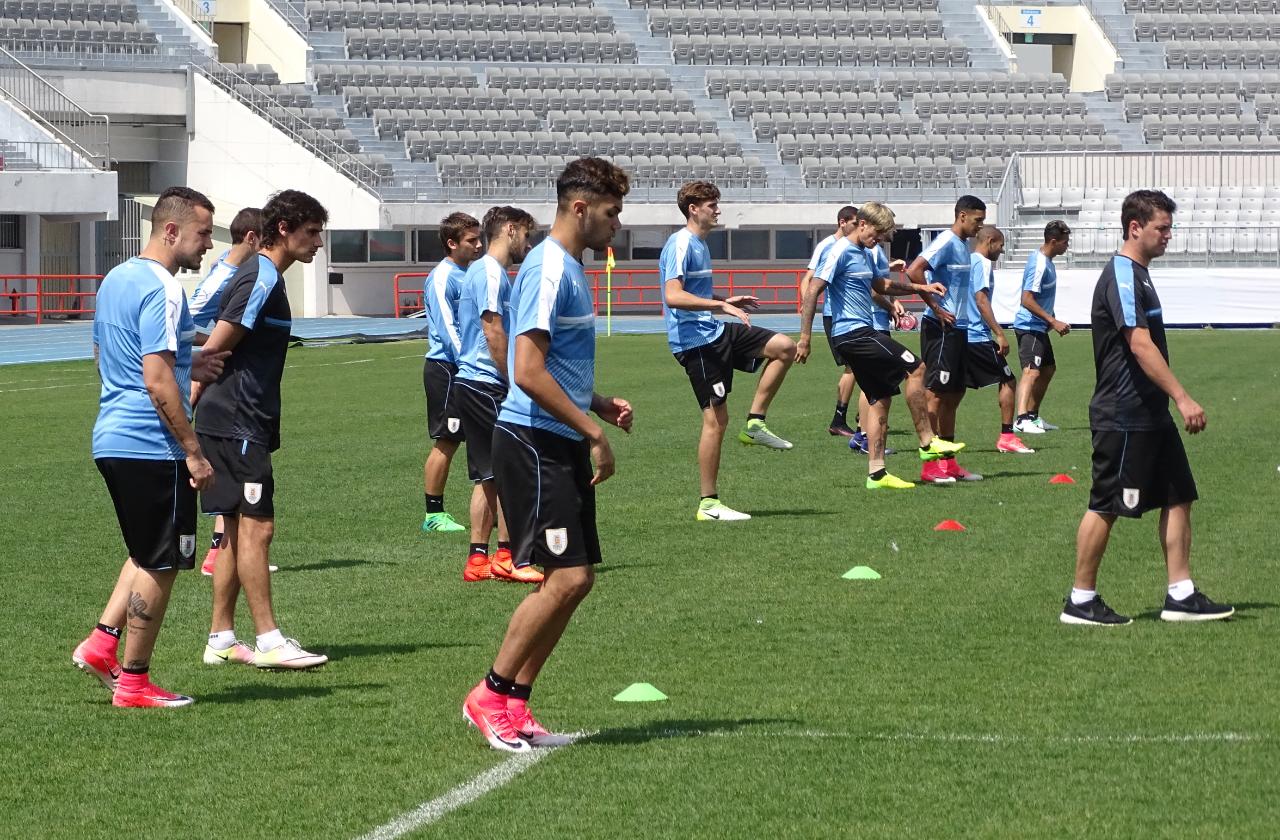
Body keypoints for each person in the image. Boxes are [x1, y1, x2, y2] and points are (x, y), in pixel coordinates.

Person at [462, 157, 634, 751]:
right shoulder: (548, 269)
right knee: (566, 577)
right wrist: (592, 431)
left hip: (554, 435)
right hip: (533, 439)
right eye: (612, 213)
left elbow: (554, 364)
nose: (618, 224)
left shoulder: (569, 268)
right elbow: (527, 371)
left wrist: (598, 400)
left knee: (577, 579)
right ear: (580, 208)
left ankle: (515, 704)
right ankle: (489, 695)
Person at [72, 186, 226, 707]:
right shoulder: (164, 288)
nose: (207, 244)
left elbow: (104, 352)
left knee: (145, 551)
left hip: (112, 433)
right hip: (150, 444)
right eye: (203, 233)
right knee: (162, 562)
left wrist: (188, 362)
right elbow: (157, 379)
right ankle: (134, 682)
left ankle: (101, 645)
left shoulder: (116, 278)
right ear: (172, 230)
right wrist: (194, 450)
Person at [1061, 190, 1232, 626]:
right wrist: (1182, 396)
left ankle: (1181, 594)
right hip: (1124, 415)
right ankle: (1081, 600)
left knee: (1179, 497)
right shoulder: (1122, 273)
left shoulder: (1139, 273)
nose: (1168, 236)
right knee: (1106, 504)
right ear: (1135, 228)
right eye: (1162, 228)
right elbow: (1139, 343)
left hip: (1150, 414)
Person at [196, 189, 331, 668]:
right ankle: (270, 640)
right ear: (283, 229)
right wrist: (187, 421)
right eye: (312, 232)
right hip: (237, 419)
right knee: (259, 528)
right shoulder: (263, 275)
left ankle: (220, 638)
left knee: (233, 530)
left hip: (235, 419)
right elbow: (214, 349)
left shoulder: (262, 273)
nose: (318, 243)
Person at [797, 201, 962, 490]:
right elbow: (813, 290)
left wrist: (920, 288)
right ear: (861, 224)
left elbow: (880, 286)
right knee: (917, 366)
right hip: (852, 333)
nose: (879, 240)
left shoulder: (865, 252)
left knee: (880, 399)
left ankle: (877, 473)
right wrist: (805, 338)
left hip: (862, 331)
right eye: (877, 233)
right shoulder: (839, 251)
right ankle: (926, 441)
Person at [660, 180, 798, 522]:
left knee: (784, 347)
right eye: (711, 204)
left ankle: (755, 423)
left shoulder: (701, 245)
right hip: (696, 343)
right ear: (694, 209)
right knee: (715, 420)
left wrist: (724, 301)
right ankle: (709, 504)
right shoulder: (680, 244)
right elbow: (673, 295)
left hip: (714, 330)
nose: (717, 209)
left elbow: (694, 292)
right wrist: (720, 306)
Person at [455, 206, 543, 584]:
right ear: (510, 229)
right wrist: (515, 380)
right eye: (526, 233)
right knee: (510, 469)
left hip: (471, 381)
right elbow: (494, 332)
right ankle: (508, 556)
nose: (529, 242)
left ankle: (479, 559)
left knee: (487, 475)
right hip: (486, 381)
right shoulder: (490, 272)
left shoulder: (479, 270)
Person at [189, 206, 263, 577]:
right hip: (206, 372)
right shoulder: (231, 275)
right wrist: (220, 341)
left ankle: (221, 551)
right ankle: (215, 552)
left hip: (212, 370)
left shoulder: (227, 266)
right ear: (252, 238)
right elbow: (188, 315)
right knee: (219, 465)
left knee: (225, 466)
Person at [906, 195, 987, 485]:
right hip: (941, 328)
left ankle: (949, 463)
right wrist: (937, 308)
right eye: (978, 220)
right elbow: (914, 270)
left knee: (954, 394)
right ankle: (930, 466)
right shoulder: (945, 241)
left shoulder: (963, 247)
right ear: (962, 216)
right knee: (936, 394)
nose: (981, 226)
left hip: (960, 328)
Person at [420, 213, 483, 533]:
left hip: (468, 368)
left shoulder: (467, 273)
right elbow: (448, 329)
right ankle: (433, 514)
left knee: (479, 439)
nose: (479, 245)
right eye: (472, 240)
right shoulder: (443, 277)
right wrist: (470, 364)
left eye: (478, 238)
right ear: (452, 243)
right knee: (448, 439)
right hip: (449, 369)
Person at [967, 226, 1036, 461]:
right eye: (1000, 244)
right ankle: (1007, 436)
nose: (1003, 250)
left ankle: (934, 438)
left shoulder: (969, 262)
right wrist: (999, 333)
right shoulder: (984, 265)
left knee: (948, 392)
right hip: (976, 335)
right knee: (1007, 380)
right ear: (989, 241)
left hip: (961, 333)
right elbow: (981, 300)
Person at [798, 205, 858, 437]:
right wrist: (806, 303)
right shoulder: (827, 246)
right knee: (853, 366)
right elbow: (809, 278)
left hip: (854, 315)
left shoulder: (855, 245)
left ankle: (861, 415)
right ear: (842, 222)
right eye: (854, 223)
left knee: (860, 366)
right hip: (836, 314)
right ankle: (840, 419)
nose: (858, 227)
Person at [1013, 220, 1072, 435]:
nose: (1067, 246)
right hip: (1029, 326)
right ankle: (1020, 419)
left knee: (1048, 369)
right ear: (1053, 241)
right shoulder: (1039, 264)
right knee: (1031, 371)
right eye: (1065, 242)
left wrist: (1051, 318)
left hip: (1039, 326)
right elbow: (1026, 299)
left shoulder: (1047, 261)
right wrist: (1053, 321)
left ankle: (1033, 416)